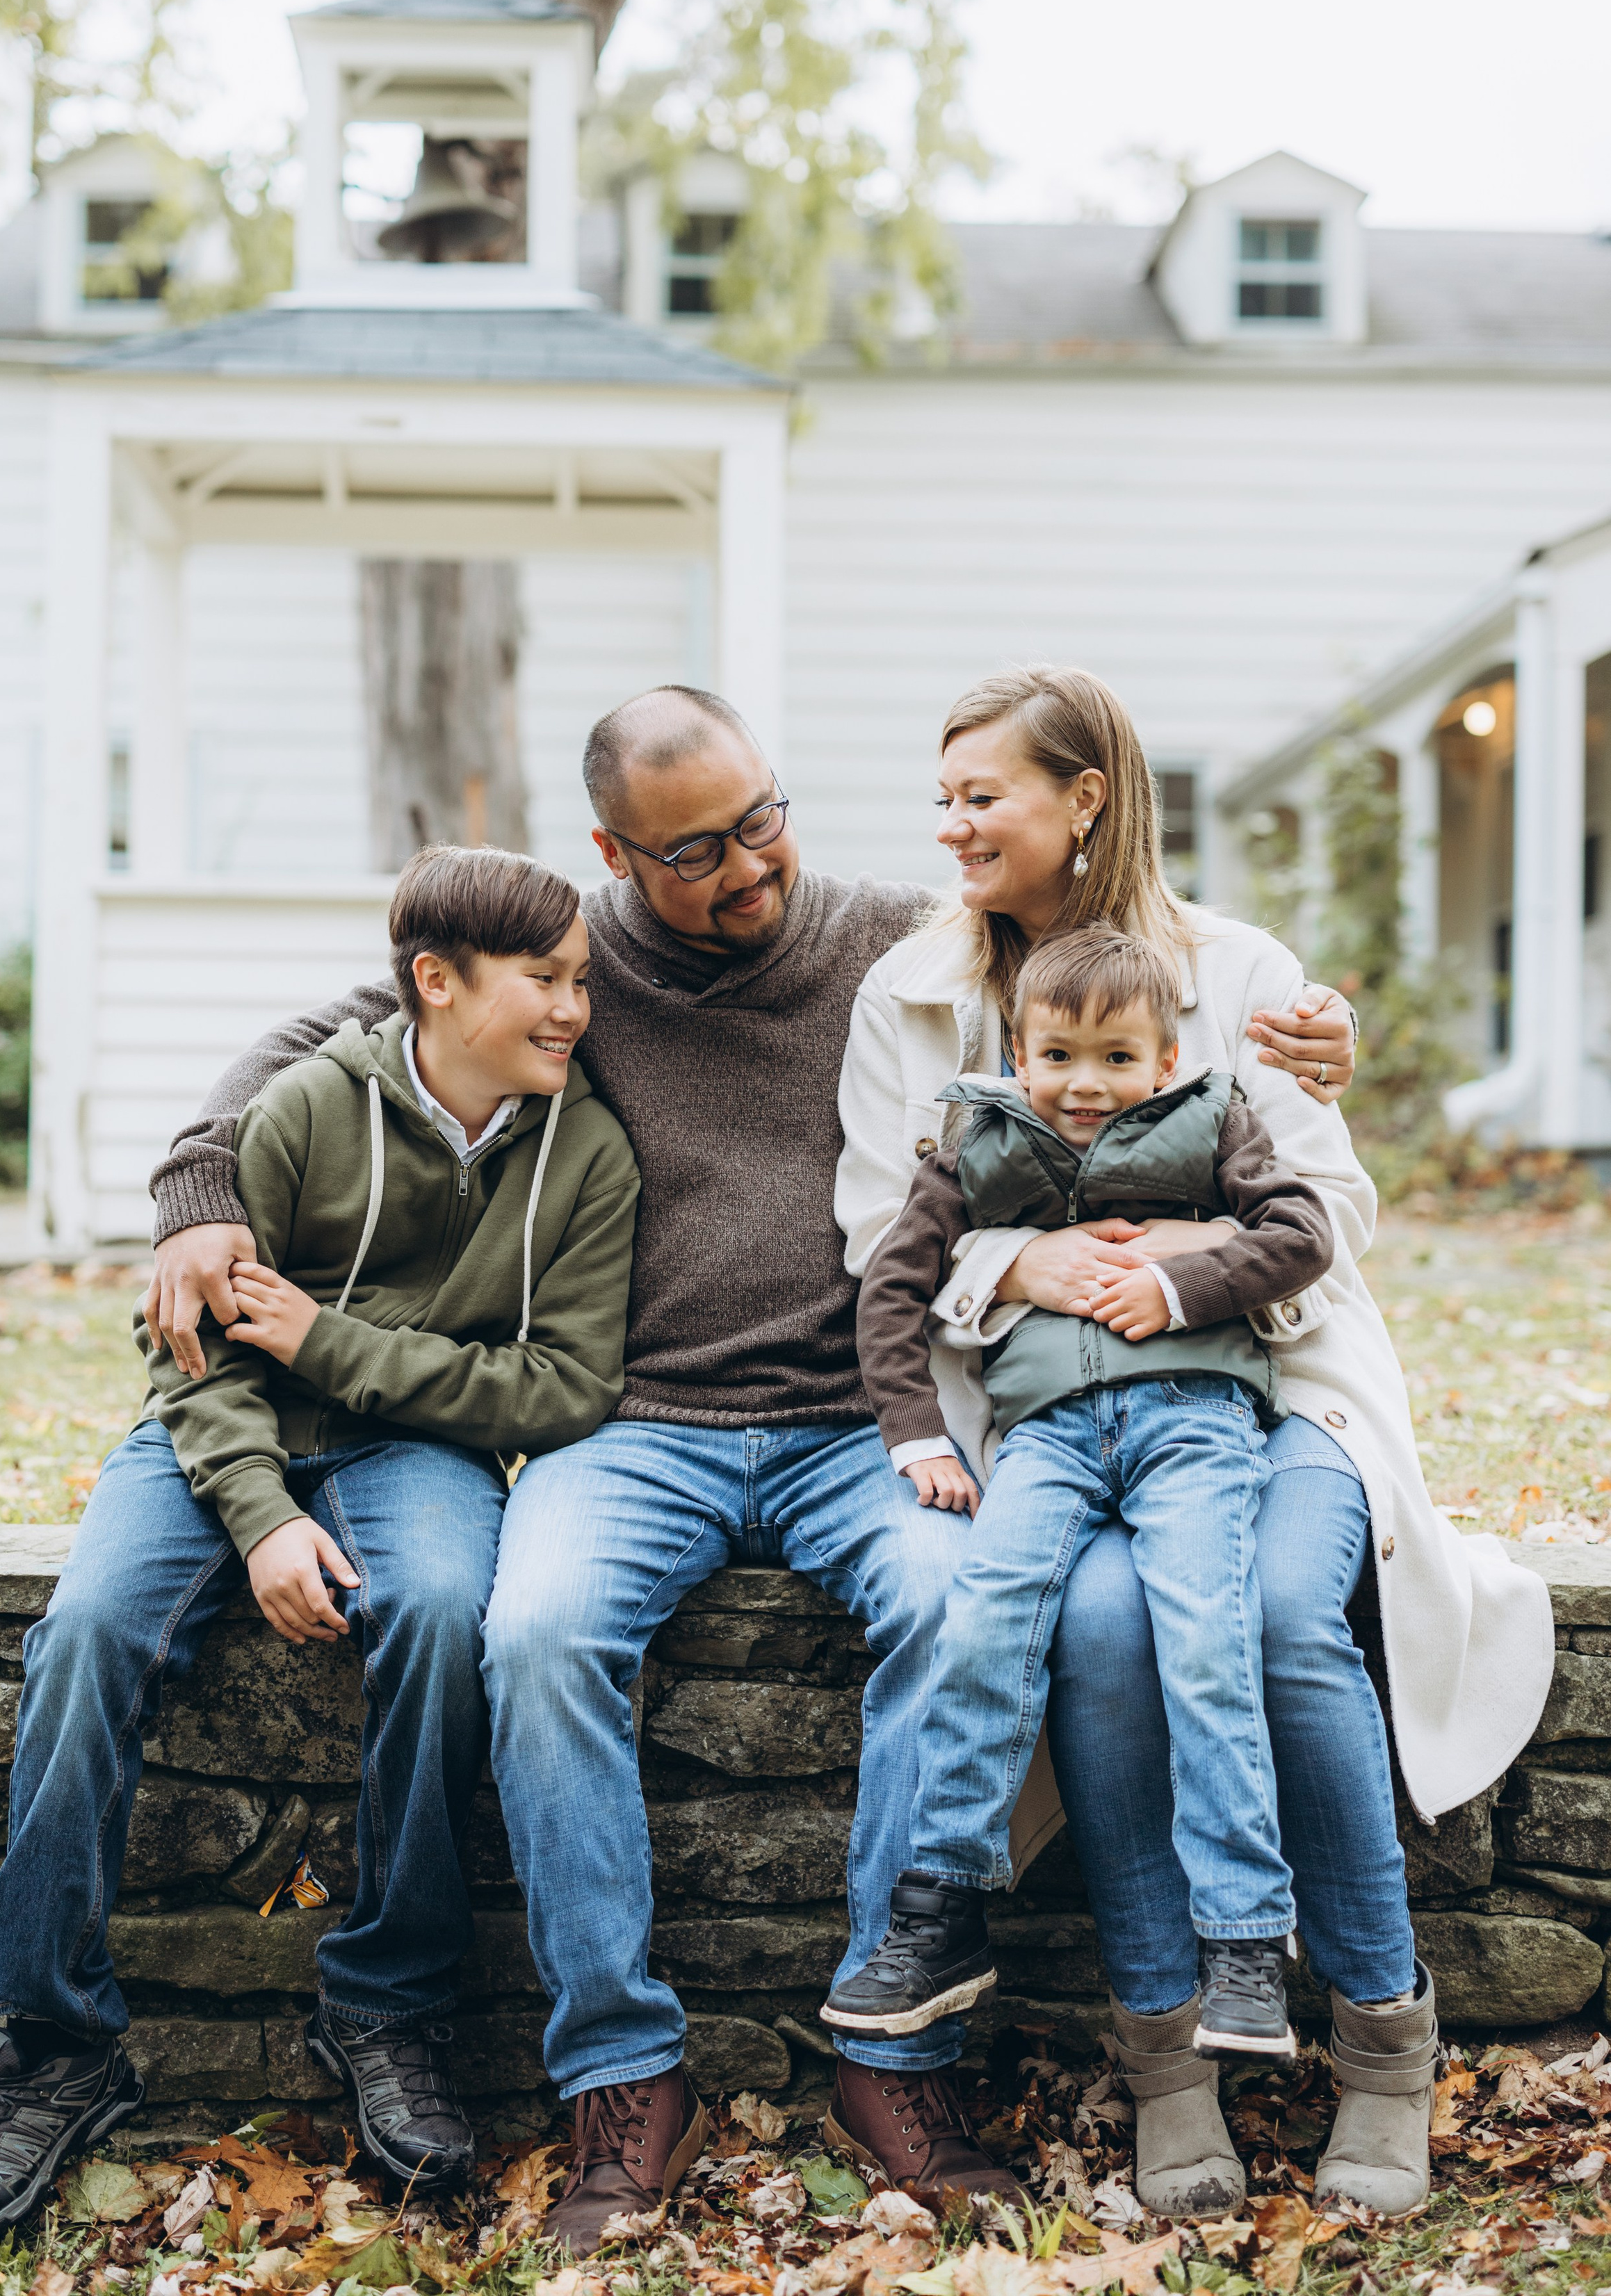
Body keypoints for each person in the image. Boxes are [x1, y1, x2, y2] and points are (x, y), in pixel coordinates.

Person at [140, 683, 1360, 2249]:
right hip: (631, 1424)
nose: (750, 868)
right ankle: (617, 2072)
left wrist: (1315, 1031)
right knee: (536, 1632)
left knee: (956, 1598)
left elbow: (1113, 965)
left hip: (864, 1420)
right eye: (699, 848)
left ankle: (890, 2053)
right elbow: (347, 1025)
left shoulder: (886, 937)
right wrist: (196, 1183)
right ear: (615, 854)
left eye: (764, 817)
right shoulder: (581, 964)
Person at [834, 663, 1555, 2222]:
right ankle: (1169, 2057)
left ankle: (1379, 2039)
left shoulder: (1237, 973)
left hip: (1263, 1386)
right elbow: (868, 1234)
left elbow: (1328, 1209)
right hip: (1031, 1402)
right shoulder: (906, 991)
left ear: (1084, 797)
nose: (949, 823)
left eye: (982, 795)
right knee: (1095, 1630)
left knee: (1285, 1615)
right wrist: (1022, 1265)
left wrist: (1172, 1262)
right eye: (941, 795)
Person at [0, 847, 638, 2251]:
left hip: (411, 1450)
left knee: (440, 1609)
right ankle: (49, 2042)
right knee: (83, 1635)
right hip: (217, 1434)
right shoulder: (308, 1109)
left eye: (582, 981)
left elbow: (565, 1386)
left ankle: (388, 2002)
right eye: (545, 980)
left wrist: (340, 1344)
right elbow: (189, 1347)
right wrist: (260, 1516)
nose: (573, 1008)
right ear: (438, 981)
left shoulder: (587, 1152)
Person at [824, 925, 1334, 2060]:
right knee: (986, 1619)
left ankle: (1245, 1939)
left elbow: (1303, 1234)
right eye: (1059, 1055)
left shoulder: (1215, 1118)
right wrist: (915, 1438)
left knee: (1208, 1633)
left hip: (1195, 1422)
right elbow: (892, 1289)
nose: (1086, 1085)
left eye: (1116, 1058)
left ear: (1164, 1059)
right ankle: (941, 1903)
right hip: (1046, 1434)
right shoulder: (975, 1141)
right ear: (1019, 1050)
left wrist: (1178, 1281)